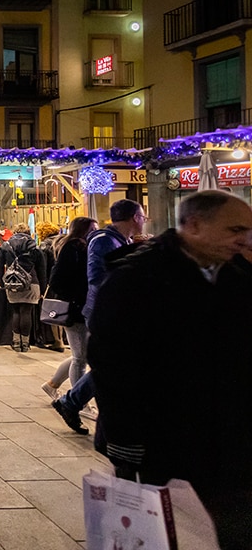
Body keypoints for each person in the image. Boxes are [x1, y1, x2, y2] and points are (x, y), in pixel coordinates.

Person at [89, 190, 252, 549]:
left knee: (240, 525)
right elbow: (113, 364)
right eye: (235, 229)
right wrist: (126, 438)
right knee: (149, 532)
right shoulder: (136, 277)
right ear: (194, 225)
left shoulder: (237, 274)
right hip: (156, 433)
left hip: (227, 435)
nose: (244, 238)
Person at [50, 199, 145, 433]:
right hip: (105, 312)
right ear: (135, 217)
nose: (144, 220)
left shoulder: (120, 240)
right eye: (143, 215)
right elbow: (96, 277)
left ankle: (71, 402)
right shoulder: (104, 241)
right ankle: (72, 402)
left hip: (113, 311)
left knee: (112, 364)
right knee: (108, 364)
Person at [40, 216, 97, 400]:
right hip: (75, 310)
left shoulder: (83, 248)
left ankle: (52, 385)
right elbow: (56, 280)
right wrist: (76, 297)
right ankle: (78, 401)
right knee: (80, 358)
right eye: (93, 229)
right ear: (83, 231)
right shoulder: (72, 248)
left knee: (80, 356)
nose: (96, 233)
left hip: (83, 308)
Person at [0, 222, 47, 352]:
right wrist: (42, 288)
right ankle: (25, 343)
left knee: (16, 312)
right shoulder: (34, 248)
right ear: (29, 233)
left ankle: (16, 342)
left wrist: (2, 283)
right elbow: (42, 270)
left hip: (12, 283)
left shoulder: (5, 247)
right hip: (31, 283)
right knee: (26, 312)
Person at [34, 222, 63, 351]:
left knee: (52, 312)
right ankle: (62, 339)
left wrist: (43, 286)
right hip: (65, 281)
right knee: (61, 310)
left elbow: (42, 267)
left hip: (51, 282)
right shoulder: (63, 242)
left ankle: (58, 341)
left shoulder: (45, 245)